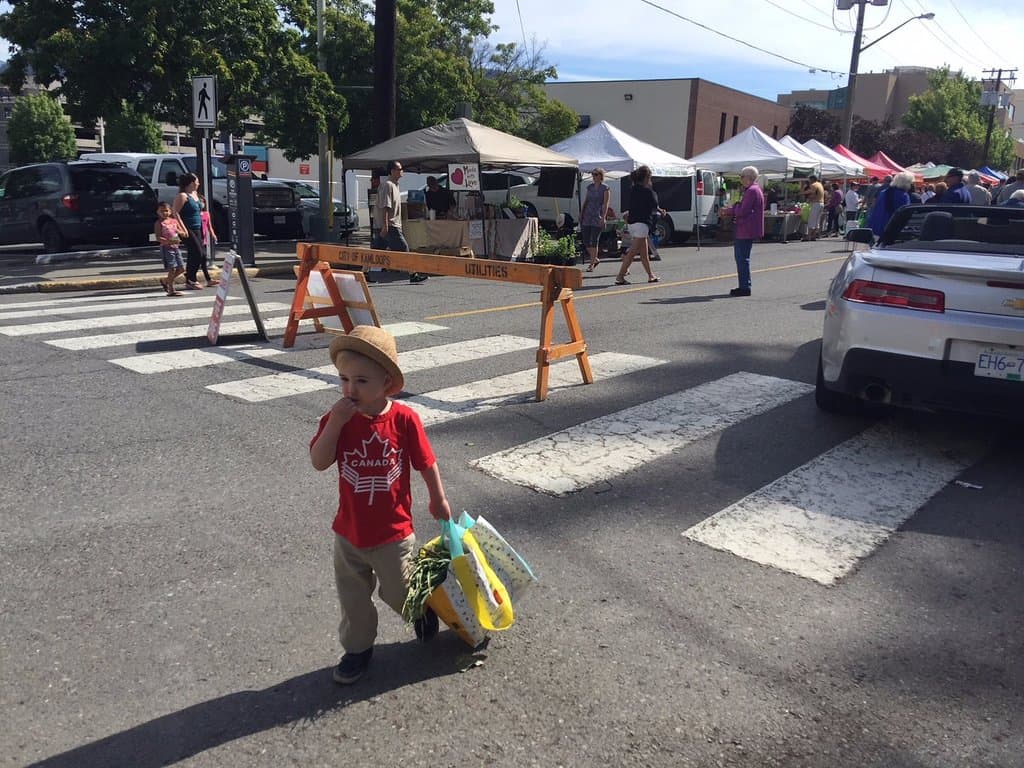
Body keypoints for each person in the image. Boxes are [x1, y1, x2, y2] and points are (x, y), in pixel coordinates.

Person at [309, 325, 451, 685]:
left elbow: (425, 462)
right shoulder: (338, 419)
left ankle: (419, 610)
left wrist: (438, 498)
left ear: (387, 383)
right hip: (349, 532)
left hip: (392, 531)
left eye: (361, 381)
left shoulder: (403, 419)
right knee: (353, 597)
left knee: (399, 590)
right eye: (343, 379)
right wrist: (336, 424)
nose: (349, 389)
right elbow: (319, 460)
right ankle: (357, 649)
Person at [373, 160, 427, 283]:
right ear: (392, 171)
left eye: (401, 169)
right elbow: (385, 206)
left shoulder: (395, 185)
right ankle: (413, 274)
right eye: (399, 169)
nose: (401, 171)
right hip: (390, 225)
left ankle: (364, 272)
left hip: (390, 225)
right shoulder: (388, 185)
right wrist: (386, 225)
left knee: (376, 251)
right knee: (404, 248)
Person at [615, 165, 662, 285]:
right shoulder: (648, 191)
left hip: (632, 223)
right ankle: (620, 276)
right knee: (632, 253)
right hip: (642, 224)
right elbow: (654, 203)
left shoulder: (633, 189)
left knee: (644, 252)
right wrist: (651, 189)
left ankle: (651, 275)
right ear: (646, 178)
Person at [728, 165, 764, 297]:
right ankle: (744, 285)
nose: (740, 179)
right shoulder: (755, 190)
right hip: (748, 228)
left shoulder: (751, 191)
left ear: (748, 177)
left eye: (742, 176)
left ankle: (744, 287)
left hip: (745, 229)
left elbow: (743, 211)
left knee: (741, 258)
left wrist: (736, 206)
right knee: (743, 258)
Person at [172, 172, 207, 290]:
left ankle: (191, 278)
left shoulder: (195, 194)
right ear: (192, 183)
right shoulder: (182, 196)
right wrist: (182, 228)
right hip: (187, 228)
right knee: (197, 252)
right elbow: (175, 213)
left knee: (200, 254)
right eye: (197, 181)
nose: (198, 183)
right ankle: (191, 279)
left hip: (197, 227)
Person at [580, 168, 610, 271]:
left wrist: (604, 217)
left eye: (596, 174)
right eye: (593, 174)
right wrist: (582, 213)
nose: (594, 176)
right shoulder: (590, 187)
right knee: (586, 240)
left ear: (600, 176)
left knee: (594, 240)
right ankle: (595, 259)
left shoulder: (605, 188)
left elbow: (606, 204)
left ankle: (591, 264)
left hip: (598, 215)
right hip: (588, 214)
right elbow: (586, 200)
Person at [868, 171, 914, 237]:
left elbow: (875, 207)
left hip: (876, 227)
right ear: (906, 183)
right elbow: (905, 215)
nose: (910, 185)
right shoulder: (903, 195)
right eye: (910, 183)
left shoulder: (883, 193)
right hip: (891, 230)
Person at [155, 202, 186, 296]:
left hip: (176, 247)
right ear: (158, 212)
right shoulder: (159, 223)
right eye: (162, 211)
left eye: (166, 211)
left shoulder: (173, 221)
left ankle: (166, 281)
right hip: (167, 247)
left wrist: (182, 233)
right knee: (172, 268)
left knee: (181, 269)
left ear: (170, 211)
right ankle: (171, 289)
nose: (164, 213)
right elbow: (157, 237)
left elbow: (178, 230)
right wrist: (168, 241)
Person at [198, 194, 218, 287]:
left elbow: (209, 227)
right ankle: (207, 279)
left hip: (203, 239)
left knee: (202, 259)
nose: (201, 204)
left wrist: (213, 235)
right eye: (199, 202)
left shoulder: (206, 214)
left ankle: (208, 279)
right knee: (202, 257)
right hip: (196, 238)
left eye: (203, 202)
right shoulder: (194, 215)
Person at [801, 174, 825, 240]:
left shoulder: (813, 185)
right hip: (821, 203)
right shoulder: (819, 184)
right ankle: (814, 235)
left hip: (816, 203)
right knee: (817, 220)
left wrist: (806, 195)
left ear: (812, 179)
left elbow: (813, 194)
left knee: (811, 220)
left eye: (809, 179)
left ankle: (808, 236)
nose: (809, 181)